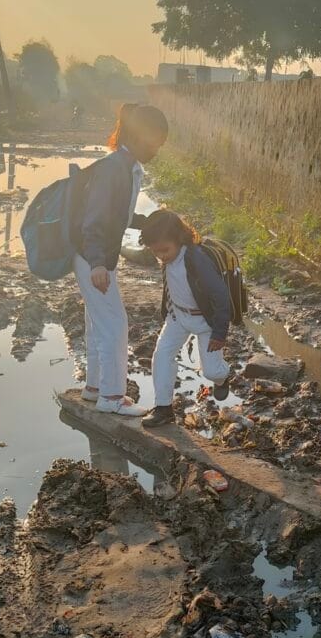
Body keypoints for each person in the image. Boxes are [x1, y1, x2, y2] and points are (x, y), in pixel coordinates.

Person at [73, 102, 168, 416]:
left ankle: (95, 388)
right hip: (92, 255)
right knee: (114, 324)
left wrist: (148, 222)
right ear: (142, 137)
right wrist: (98, 264)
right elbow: (94, 220)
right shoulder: (114, 168)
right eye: (156, 143)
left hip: (96, 255)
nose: (157, 150)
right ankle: (112, 398)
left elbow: (118, 214)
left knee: (98, 322)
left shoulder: (127, 167)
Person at [138, 209, 233, 428]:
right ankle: (163, 408)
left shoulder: (195, 259)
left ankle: (223, 377)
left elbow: (220, 294)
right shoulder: (167, 253)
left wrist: (220, 332)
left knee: (211, 371)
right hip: (177, 317)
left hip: (205, 322)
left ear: (179, 239)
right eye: (155, 252)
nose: (161, 256)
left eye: (165, 250)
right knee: (161, 356)